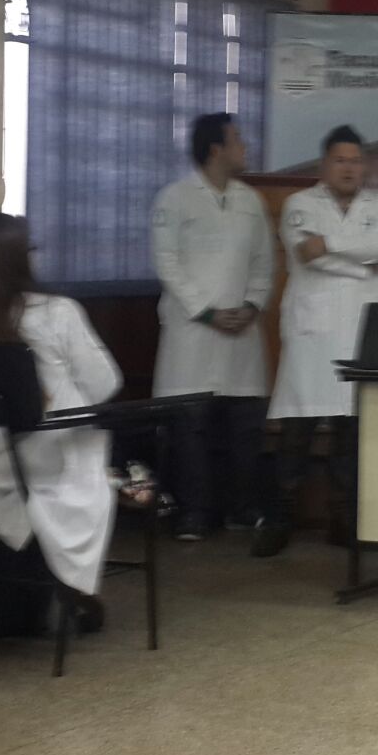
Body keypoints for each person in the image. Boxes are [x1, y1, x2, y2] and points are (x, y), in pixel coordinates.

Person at [0, 211, 122, 631]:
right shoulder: (57, 311)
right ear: (18, 258)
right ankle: (69, 591)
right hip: (59, 453)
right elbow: (106, 382)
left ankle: (31, 592)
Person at [253, 125, 378, 558]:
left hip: (360, 329)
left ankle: (344, 520)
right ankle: (278, 521)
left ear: (365, 165)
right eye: (340, 160)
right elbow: (307, 256)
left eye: (356, 161)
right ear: (325, 165)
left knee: (350, 431)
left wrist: (332, 243)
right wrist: (364, 266)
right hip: (312, 335)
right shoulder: (300, 204)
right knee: (295, 433)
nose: (349, 168)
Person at [151, 113, 274, 540]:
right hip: (193, 332)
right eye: (237, 140)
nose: (245, 147)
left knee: (245, 428)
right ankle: (194, 515)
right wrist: (206, 312)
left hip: (241, 331)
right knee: (190, 429)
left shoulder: (251, 201)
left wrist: (252, 305)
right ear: (215, 149)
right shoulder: (174, 198)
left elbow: (263, 263)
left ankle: (242, 509)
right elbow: (167, 263)